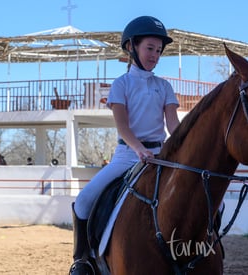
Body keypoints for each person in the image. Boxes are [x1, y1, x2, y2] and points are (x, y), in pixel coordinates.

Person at [68, 16, 180, 274]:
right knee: (84, 200)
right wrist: (139, 149)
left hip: (161, 154)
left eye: (159, 51)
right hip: (128, 155)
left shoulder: (164, 86)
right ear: (132, 47)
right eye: (150, 48)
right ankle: (82, 261)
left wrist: (182, 149)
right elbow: (123, 126)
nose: (155, 55)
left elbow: (173, 125)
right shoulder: (121, 85)